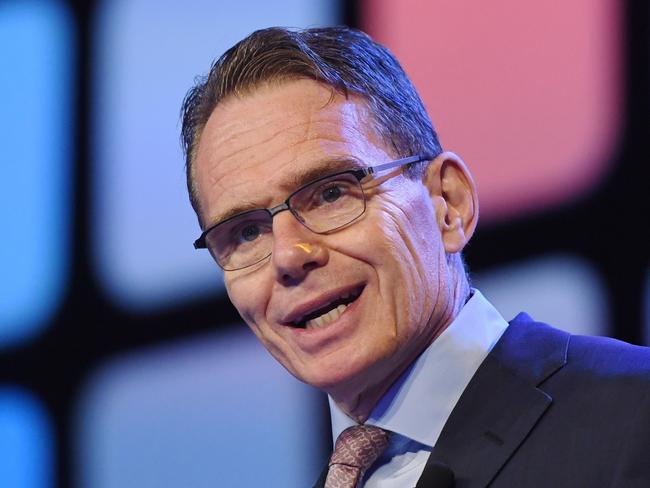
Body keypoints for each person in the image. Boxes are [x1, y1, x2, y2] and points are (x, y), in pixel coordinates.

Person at [180, 26, 650, 487]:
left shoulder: (633, 414)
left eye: (330, 194)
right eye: (245, 232)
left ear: (448, 204)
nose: (288, 255)